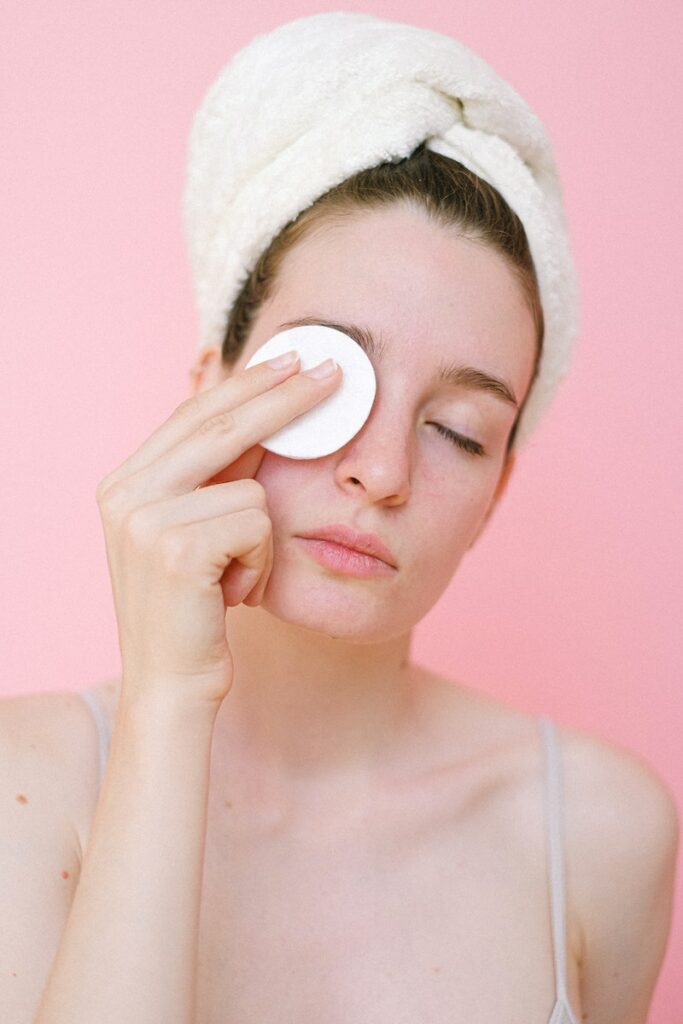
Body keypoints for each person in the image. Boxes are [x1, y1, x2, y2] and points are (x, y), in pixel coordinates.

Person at [2, 13, 678, 1024]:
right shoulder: (28, 785)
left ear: (495, 490)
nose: (382, 472)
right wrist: (168, 703)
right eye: (328, 389)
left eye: (455, 429)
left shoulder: (599, 830)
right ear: (208, 390)